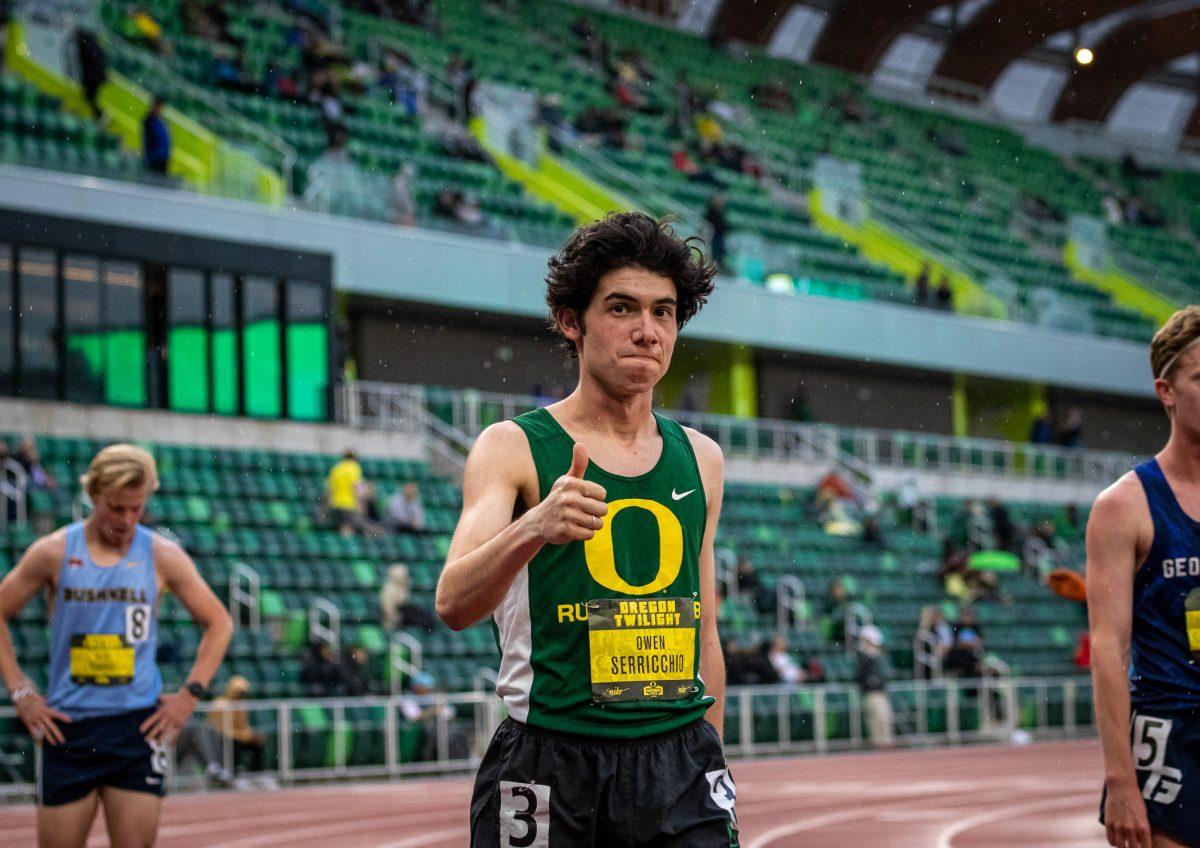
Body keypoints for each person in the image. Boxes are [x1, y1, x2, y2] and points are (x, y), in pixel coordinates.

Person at [436, 212, 737, 846]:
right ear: (573, 322)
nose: (647, 331)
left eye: (664, 312)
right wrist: (535, 527)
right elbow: (453, 602)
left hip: (679, 758)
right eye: (623, 309)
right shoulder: (511, 447)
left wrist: (710, 746)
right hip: (550, 760)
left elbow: (704, 625)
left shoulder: (702, 458)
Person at [0, 444, 232, 848]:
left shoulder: (162, 555)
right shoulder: (53, 552)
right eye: (116, 509)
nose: (126, 521)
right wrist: (20, 691)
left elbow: (220, 623)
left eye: (135, 509)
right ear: (93, 497)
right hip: (68, 728)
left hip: (137, 727)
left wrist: (189, 696)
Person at [1088, 307, 1200, 848]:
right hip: (1170, 738)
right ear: (1167, 390)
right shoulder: (1123, 506)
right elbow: (1109, 649)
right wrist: (1120, 780)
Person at [208, 675, 266, 775]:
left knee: (258, 742)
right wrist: (245, 736)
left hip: (236, 736)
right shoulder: (220, 704)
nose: (242, 696)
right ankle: (235, 773)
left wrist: (251, 735)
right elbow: (223, 730)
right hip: (220, 738)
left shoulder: (241, 704)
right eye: (240, 693)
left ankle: (257, 773)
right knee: (235, 743)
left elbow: (243, 726)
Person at [855, 625, 892, 749]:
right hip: (871, 692)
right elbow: (861, 676)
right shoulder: (863, 657)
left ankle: (885, 741)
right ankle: (878, 742)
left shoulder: (877, 658)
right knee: (876, 719)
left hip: (880, 691)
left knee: (884, 718)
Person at [380, 563, 436, 632]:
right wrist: (395, 619)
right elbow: (388, 609)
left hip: (403, 614)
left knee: (421, 613)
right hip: (397, 617)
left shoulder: (403, 588)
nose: (405, 577)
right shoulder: (390, 589)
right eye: (403, 575)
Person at [326, 449, 363, 536]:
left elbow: (329, 489)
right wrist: (359, 503)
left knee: (338, 530)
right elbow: (355, 487)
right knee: (347, 530)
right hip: (348, 504)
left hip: (335, 504)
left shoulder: (336, 469)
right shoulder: (354, 467)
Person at [74, 29, 108, 121]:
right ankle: (99, 115)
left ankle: (101, 115)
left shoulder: (85, 46)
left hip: (93, 77)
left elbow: (87, 64)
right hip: (97, 76)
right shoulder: (93, 44)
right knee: (89, 97)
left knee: (89, 96)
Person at [141, 97, 170, 176]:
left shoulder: (161, 121)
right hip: (154, 158)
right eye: (157, 107)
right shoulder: (150, 121)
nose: (160, 109)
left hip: (163, 158)